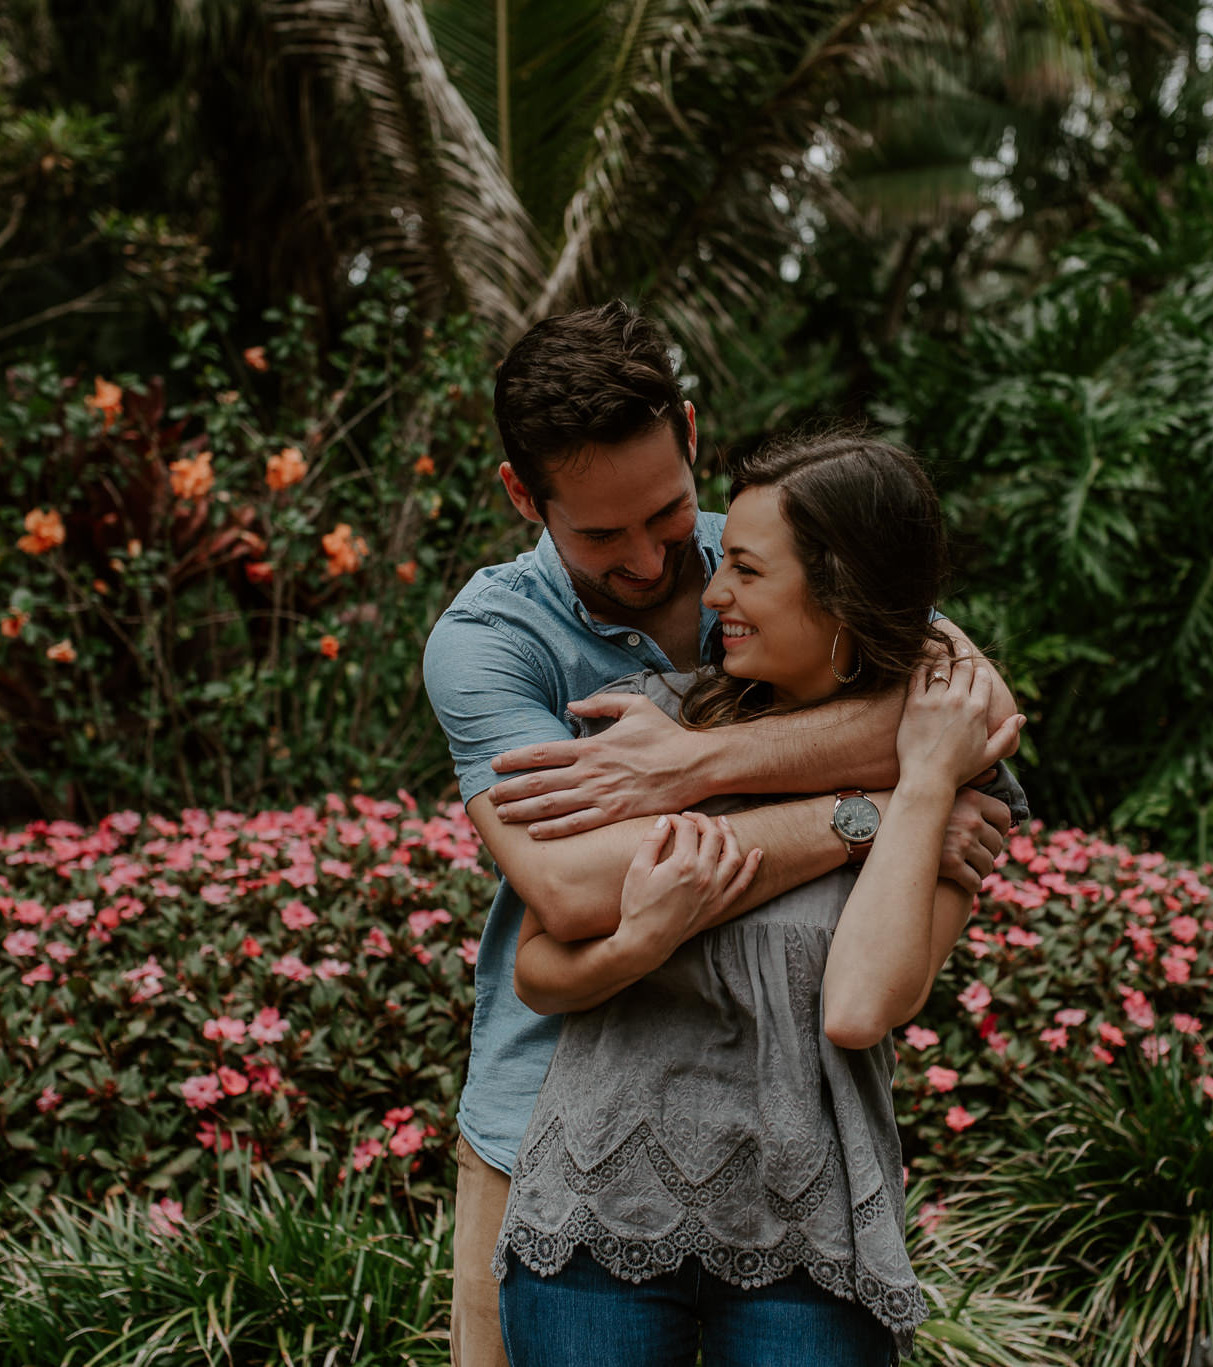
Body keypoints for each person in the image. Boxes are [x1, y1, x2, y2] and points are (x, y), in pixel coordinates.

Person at [421, 302, 1021, 1367]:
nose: (652, 562)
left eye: (665, 513)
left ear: (690, 433)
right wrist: (871, 815)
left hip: (783, 1151)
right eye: (600, 535)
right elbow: (570, 891)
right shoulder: (489, 640)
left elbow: (973, 711)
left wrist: (690, 763)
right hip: (546, 1132)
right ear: (523, 495)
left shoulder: (780, 547)